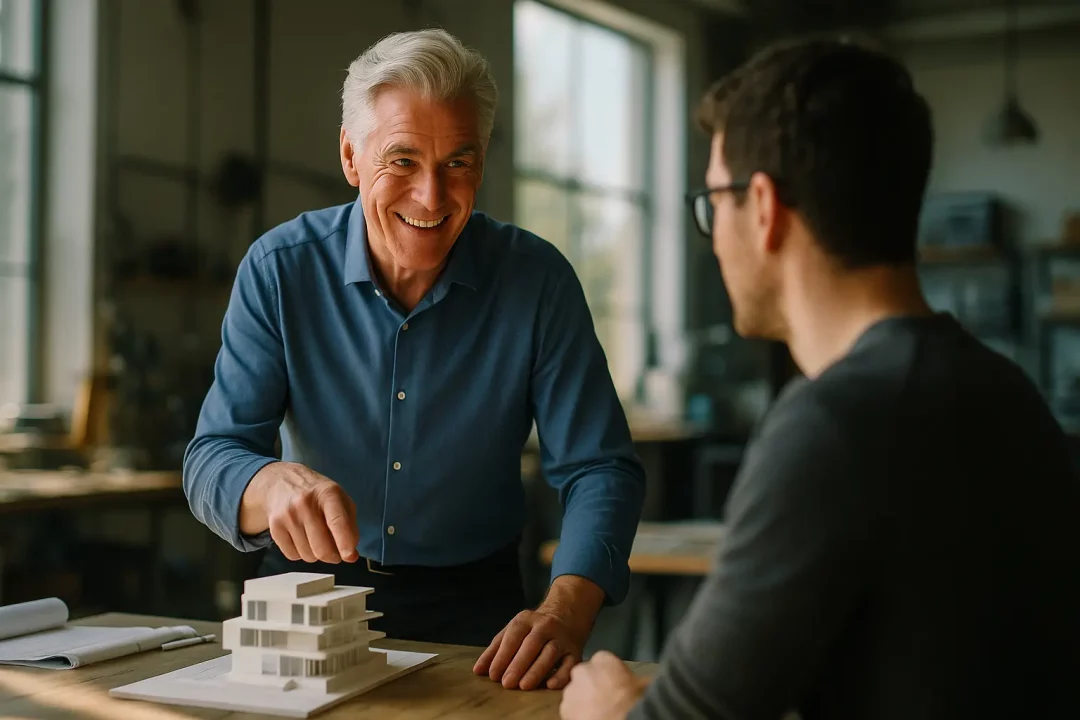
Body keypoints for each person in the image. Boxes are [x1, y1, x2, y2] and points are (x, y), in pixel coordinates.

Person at [561, 36, 1080, 720]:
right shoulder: (1005, 390)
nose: (713, 233)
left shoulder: (833, 425)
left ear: (766, 209)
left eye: (715, 202)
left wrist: (604, 706)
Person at [183, 28, 646, 691]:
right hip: (302, 606)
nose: (432, 197)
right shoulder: (279, 269)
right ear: (350, 155)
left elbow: (600, 467)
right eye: (401, 161)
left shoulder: (538, 282)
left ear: (482, 163)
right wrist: (264, 485)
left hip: (476, 611)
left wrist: (565, 610)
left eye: (458, 163)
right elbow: (211, 455)